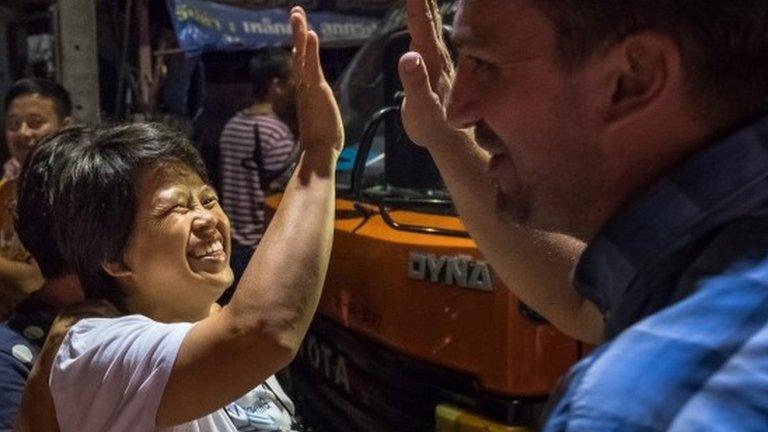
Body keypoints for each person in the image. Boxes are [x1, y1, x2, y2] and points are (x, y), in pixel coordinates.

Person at [399, 0, 768, 430]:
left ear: (632, 79)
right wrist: (445, 139)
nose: (458, 108)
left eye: (484, 64)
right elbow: (580, 304)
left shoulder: (629, 411)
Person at [15, 7, 342, 431]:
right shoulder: (92, 348)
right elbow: (264, 332)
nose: (207, 218)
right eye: (176, 208)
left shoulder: (208, 317)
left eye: (207, 199)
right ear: (114, 258)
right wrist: (318, 154)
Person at [218, 48, 298, 294]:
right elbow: (285, 198)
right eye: (294, 78)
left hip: (232, 247)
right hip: (259, 250)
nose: (298, 85)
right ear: (277, 85)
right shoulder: (275, 133)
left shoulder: (232, 125)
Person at [0, 78, 73, 318]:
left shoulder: (73, 193)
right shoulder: (6, 190)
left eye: (36, 122)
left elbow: (34, 281)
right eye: (13, 124)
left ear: (66, 127)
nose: (23, 133)